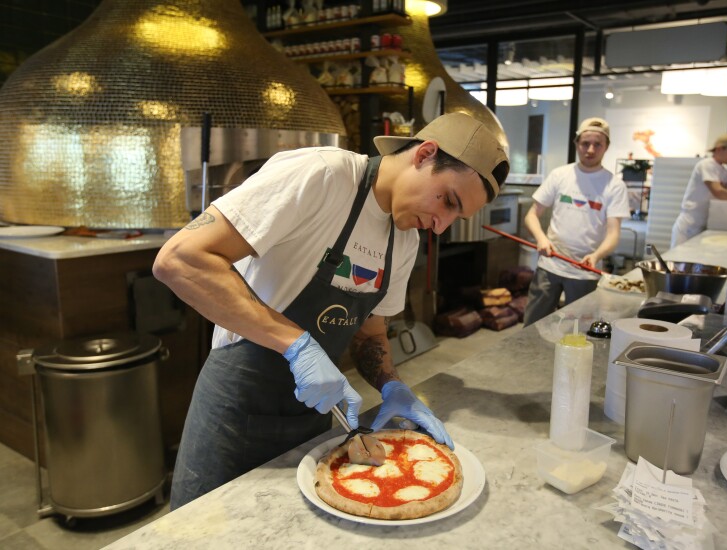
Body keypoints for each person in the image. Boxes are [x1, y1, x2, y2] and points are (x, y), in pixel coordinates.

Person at [153, 112, 510, 509]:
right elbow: (180, 260)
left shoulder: (404, 239)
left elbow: (370, 333)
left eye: (455, 217)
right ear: (425, 154)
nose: (440, 226)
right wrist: (296, 345)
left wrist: (392, 385)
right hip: (236, 411)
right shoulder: (322, 176)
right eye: (447, 200)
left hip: (318, 419)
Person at [522, 117, 630, 326]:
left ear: (606, 147)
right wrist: (542, 239)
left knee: (577, 332)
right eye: (585, 143)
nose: (590, 149)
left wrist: (596, 255)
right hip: (550, 264)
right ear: (577, 144)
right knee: (532, 326)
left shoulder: (614, 186)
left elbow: (613, 233)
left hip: (585, 271)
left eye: (597, 144)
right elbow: (532, 214)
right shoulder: (559, 175)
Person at [671, 133, 727, 248]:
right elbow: (718, 192)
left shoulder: (722, 169)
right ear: (720, 149)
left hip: (703, 224)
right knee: (678, 263)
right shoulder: (706, 164)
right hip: (689, 225)